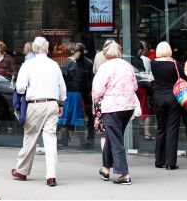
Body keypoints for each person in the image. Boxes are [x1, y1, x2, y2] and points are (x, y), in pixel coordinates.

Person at [10, 36, 67, 187]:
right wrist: (61, 102)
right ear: (47, 49)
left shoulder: (28, 65)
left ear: (34, 49)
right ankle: (51, 176)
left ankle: (22, 171)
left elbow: (20, 87)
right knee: (50, 140)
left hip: (34, 105)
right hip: (52, 105)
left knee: (30, 137)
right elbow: (62, 88)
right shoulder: (54, 65)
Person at [92, 40, 138, 185]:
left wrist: (97, 99)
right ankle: (106, 169)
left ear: (105, 54)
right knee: (112, 137)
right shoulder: (127, 66)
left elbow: (98, 91)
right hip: (128, 106)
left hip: (112, 107)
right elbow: (135, 86)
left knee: (116, 140)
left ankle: (124, 174)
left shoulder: (105, 67)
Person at [151, 41, 187, 170]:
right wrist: (186, 69)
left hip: (158, 97)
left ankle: (159, 161)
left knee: (160, 128)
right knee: (172, 129)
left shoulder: (153, 64)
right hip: (172, 97)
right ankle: (170, 162)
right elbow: (185, 80)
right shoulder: (174, 64)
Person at [58, 43, 92, 148]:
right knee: (73, 117)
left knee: (70, 118)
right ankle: (81, 142)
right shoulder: (72, 62)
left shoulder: (70, 63)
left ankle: (67, 140)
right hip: (74, 94)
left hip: (73, 94)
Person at [132, 41, 154, 141]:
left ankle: (133, 133)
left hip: (133, 88)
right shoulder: (140, 60)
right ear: (139, 50)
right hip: (141, 88)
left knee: (133, 110)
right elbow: (145, 73)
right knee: (144, 110)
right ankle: (147, 133)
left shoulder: (129, 59)